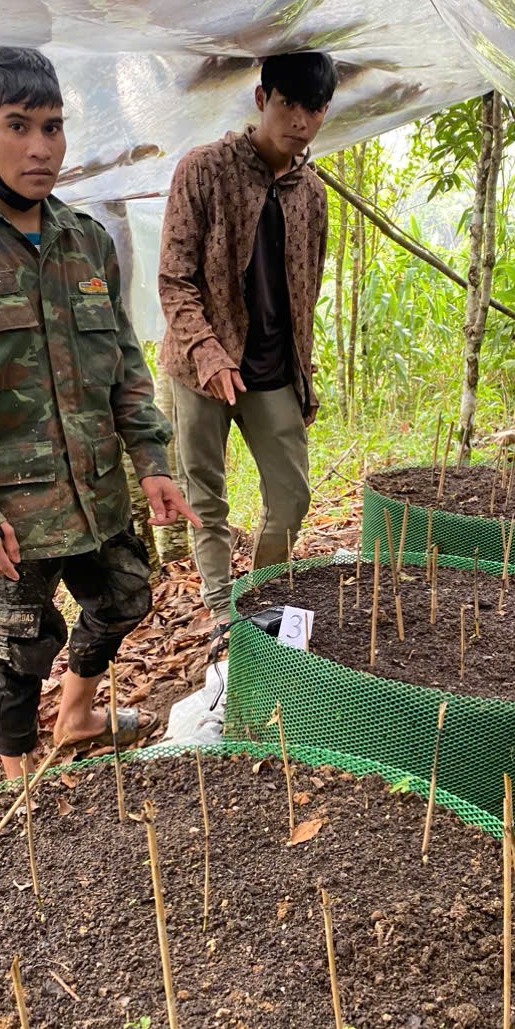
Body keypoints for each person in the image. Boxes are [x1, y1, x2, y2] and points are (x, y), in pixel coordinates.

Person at [0, 45, 198, 780]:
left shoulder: (84, 239)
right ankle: (17, 776)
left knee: (126, 598)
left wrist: (152, 462)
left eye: (53, 127)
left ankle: (79, 715)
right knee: (18, 643)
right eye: (18, 126)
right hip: (11, 507)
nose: (41, 148)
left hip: (94, 488)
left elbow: (123, 361)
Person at [158, 51, 337, 651]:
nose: (301, 121)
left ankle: (259, 598)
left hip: (271, 373)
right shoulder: (203, 170)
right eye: (289, 104)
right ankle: (220, 613)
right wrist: (208, 354)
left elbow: (304, 296)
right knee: (206, 498)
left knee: (291, 496)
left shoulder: (311, 195)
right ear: (262, 100)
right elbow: (175, 280)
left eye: (314, 109)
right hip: (199, 368)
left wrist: (302, 380)